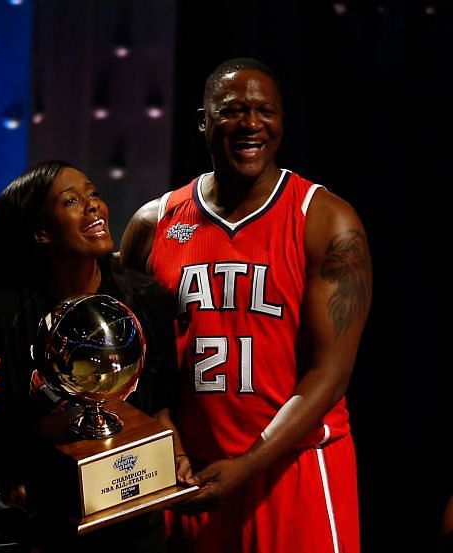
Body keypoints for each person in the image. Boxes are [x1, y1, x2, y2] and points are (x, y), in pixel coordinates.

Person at [120, 58, 372, 552]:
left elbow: (330, 373)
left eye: (264, 111)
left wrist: (249, 464)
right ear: (203, 121)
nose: (251, 124)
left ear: (281, 121)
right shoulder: (154, 223)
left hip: (295, 468)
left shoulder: (325, 219)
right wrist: (167, 443)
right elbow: (141, 364)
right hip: (189, 472)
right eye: (233, 111)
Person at [0, 161, 190, 553]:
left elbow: (160, 409)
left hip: (131, 522)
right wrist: (6, 475)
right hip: (31, 527)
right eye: (71, 200)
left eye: (94, 195)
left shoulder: (146, 300)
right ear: (40, 232)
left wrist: (177, 455)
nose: (93, 206)